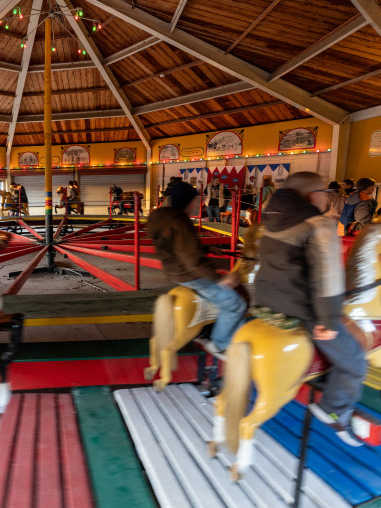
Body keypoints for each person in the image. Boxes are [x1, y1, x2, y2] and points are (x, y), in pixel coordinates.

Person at [255, 171, 366, 447]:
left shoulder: (269, 219)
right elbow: (327, 277)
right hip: (299, 306)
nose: (326, 199)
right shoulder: (319, 225)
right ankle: (334, 409)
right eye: (324, 194)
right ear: (311, 195)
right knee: (354, 360)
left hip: (263, 300)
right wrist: (327, 320)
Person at [147, 182, 245, 358]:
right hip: (188, 274)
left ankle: (205, 329)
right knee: (236, 304)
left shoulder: (162, 217)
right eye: (196, 200)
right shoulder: (180, 221)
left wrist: (207, 249)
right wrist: (220, 279)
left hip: (173, 271)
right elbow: (191, 260)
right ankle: (220, 344)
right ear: (188, 201)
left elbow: (179, 246)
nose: (197, 204)